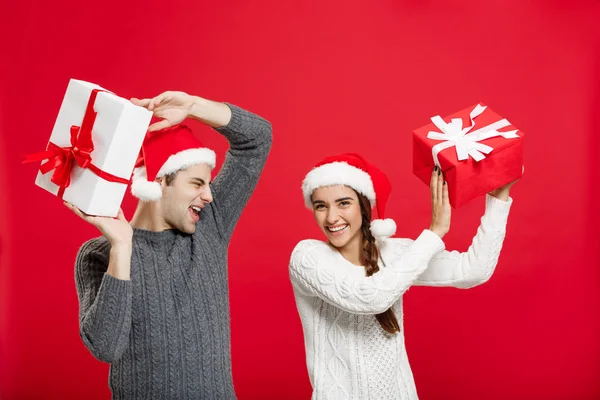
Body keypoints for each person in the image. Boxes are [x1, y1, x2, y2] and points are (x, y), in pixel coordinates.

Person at [65, 91, 272, 399]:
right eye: (197, 183)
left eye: (209, 183)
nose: (209, 196)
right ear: (159, 181)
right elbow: (106, 346)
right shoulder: (100, 254)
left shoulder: (209, 228)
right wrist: (122, 247)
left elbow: (258, 139)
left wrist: (193, 107)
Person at [288, 153, 518, 400]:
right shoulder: (307, 257)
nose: (331, 217)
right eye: (321, 205)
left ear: (365, 206)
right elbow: (371, 298)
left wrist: (498, 198)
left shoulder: (393, 252)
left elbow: (473, 270)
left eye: (343, 203)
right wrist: (435, 232)